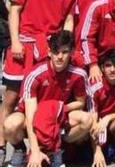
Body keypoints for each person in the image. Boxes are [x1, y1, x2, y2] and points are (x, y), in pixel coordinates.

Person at [2, 0, 77, 165]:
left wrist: (64, 47)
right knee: (11, 99)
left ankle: (45, 148)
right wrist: (15, 42)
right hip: (22, 47)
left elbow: (69, 19)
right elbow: (14, 11)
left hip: (48, 50)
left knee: (43, 99)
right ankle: (7, 146)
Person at [3, 30, 91, 167]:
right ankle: (21, 149)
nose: (60, 57)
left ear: (72, 52)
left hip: (58, 116)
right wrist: (35, 151)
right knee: (10, 125)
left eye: (65, 52)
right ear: (49, 52)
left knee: (87, 120)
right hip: (32, 117)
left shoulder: (79, 75)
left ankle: (56, 149)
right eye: (56, 52)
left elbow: (80, 103)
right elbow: (31, 117)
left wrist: (57, 108)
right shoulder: (35, 75)